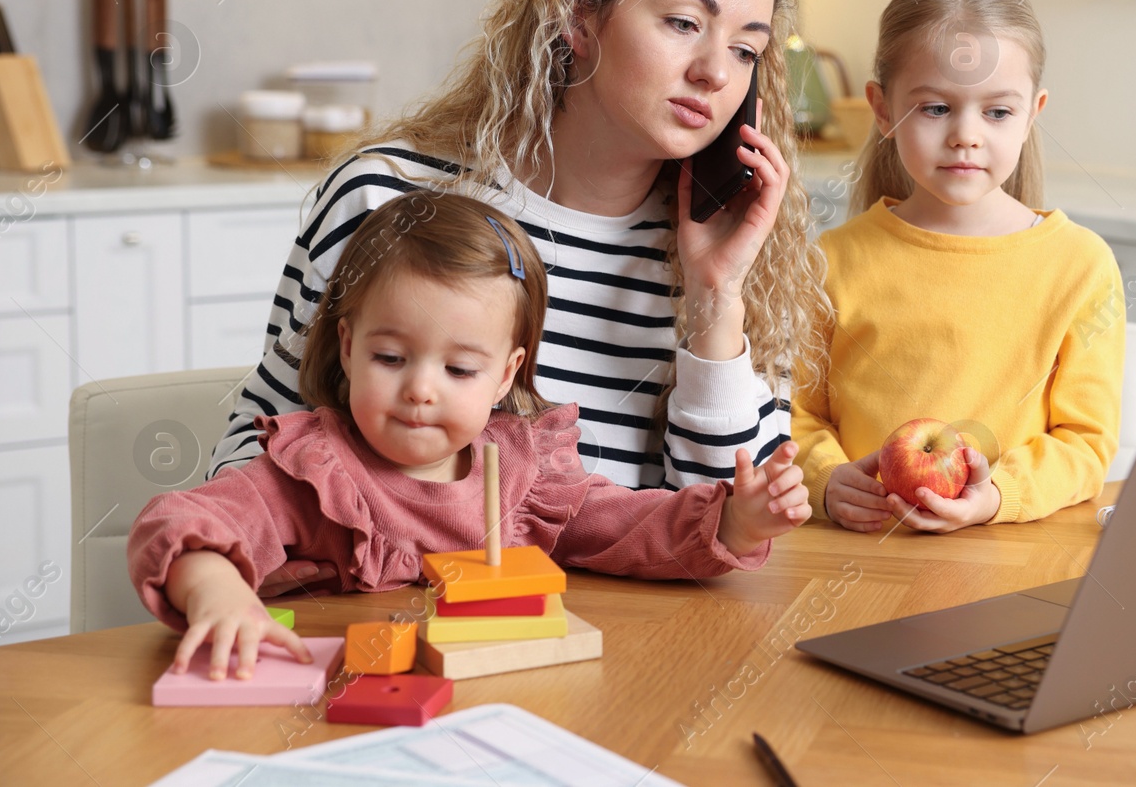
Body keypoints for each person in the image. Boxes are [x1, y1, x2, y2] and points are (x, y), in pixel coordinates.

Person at [208, 0, 832, 592]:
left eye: (745, 49)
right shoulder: (388, 200)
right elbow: (253, 463)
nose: (714, 71)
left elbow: (732, 533)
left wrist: (716, 296)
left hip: (644, 652)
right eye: (683, 22)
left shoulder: (740, 244)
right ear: (576, 15)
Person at [131, 193, 810, 680]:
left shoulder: (523, 474)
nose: (421, 389)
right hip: (340, 711)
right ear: (347, 346)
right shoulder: (312, 470)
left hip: (505, 705)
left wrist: (736, 520)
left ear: (506, 373)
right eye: (390, 358)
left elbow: (630, 526)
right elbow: (184, 519)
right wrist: (216, 589)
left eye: (459, 368)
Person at [792, 0, 1124, 534]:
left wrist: (998, 496)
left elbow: (1085, 443)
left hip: (1005, 559)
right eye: (936, 108)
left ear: (1032, 115)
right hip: (858, 557)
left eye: (997, 112)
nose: (966, 134)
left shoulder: (1080, 266)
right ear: (882, 109)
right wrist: (824, 477)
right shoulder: (832, 260)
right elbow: (794, 415)